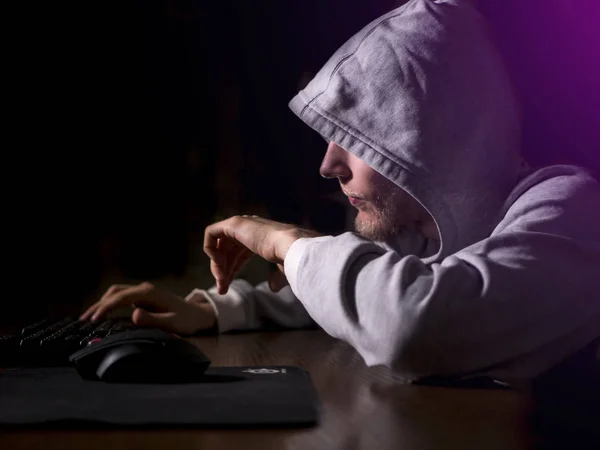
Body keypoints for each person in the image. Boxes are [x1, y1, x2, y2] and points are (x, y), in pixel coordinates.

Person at [81, 0, 600, 383]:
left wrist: (285, 242)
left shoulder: (571, 210)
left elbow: (413, 323)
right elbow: (365, 289)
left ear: (436, 143)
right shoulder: (435, 237)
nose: (329, 164)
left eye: (360, 139)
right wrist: (219, 310)